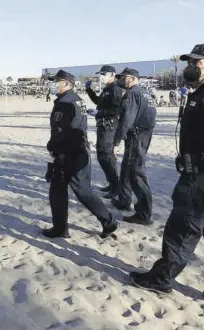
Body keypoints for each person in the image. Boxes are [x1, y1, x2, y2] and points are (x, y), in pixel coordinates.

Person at [128, 44, 204, 318]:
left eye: (198, 61)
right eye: (190, 60)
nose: (191, 65)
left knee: (180, 231)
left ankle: (160, 280)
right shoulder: (200, 93)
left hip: (202, 179)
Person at [43, 70, 118, 239]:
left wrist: (56, 151)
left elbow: (64, 132)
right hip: (76, 152)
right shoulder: (75, 100)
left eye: (57, 81)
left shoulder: (66, 103)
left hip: (69, 154)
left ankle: (62, 228)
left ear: (68, 84)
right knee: (69, 190)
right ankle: (106, 221)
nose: (53, 84)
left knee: (75, 192)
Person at [111, 68, 156, 225]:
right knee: (126, 168)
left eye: (123, 78)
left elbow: (126, 120)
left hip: (136, 136)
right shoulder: (145, 93)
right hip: (144, 134)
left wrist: (116, 141)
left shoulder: (132, 94)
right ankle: (124, 200)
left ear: (131, 79)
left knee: (136, 173)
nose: (121, 81)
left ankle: (144, 213)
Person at [85, 65, 123, 198]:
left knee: (105, 156)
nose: (101, 77)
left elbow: (116, 110)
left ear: (112, 74)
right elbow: (98, 101)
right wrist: (88, 90)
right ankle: (112, 184)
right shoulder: (107, 89)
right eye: (101, 74)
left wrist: (99, 112)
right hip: (103, 125)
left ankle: (115, 186)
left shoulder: (115, 89)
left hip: (109, 126)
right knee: (105, 157)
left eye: (104, 74)